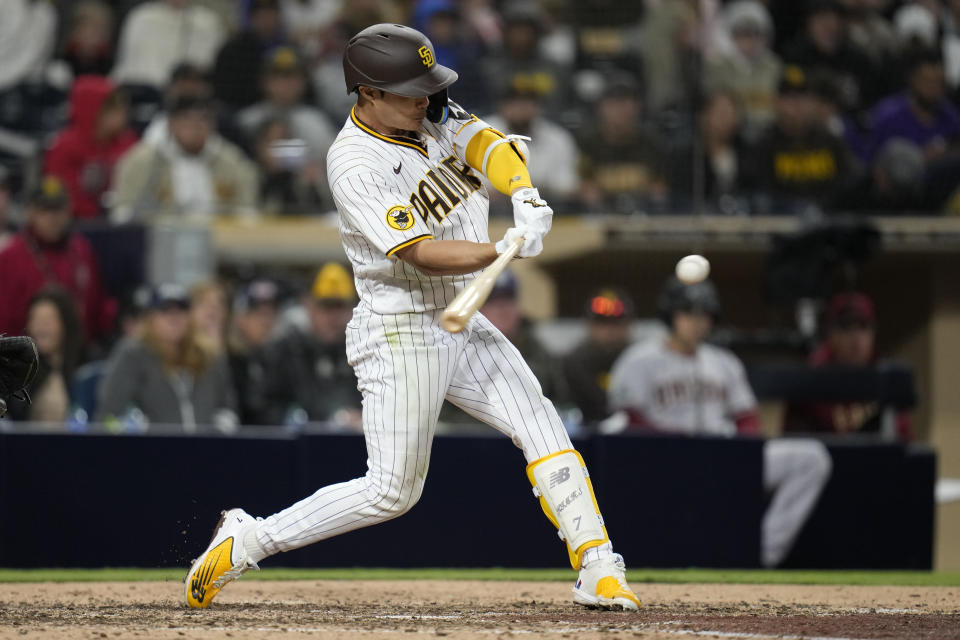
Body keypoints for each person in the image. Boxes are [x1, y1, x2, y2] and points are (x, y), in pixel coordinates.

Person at [185, 23, 641, 612]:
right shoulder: (353, 163)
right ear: (367, 91)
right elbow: (420, 252)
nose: (424, 97)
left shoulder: (427, 108)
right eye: (408, 88)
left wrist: (523, 192)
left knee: (541, 423)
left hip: (460, 319)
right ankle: (247, 539)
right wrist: (503, 248)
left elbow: (486, 144)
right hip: (401, 328)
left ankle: (598, 566)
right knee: (391, 493)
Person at [606, 277, 832, 568]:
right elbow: (628, 422)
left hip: (721, 458)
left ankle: (761, 555)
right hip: (664, 461)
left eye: (704, 315)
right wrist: (680, 444)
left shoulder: (724, 362)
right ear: (671, 315)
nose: (697, 322)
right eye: (689, 313)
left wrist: (735, 454)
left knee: (811, 459)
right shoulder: (638, 360)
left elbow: (748, 420)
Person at [95, 282, 237, 432]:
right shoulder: (132, 354)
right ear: (150, 317)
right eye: (165, 310)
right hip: (149, 451)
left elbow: (228, 409)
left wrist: (220, 435)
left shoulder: (208, 355)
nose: (174, 318)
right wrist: (135, 431)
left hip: (205, 449)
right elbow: (108, 416)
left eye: (181, 310)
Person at [0, 176, 116, 343]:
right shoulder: (10, 257)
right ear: (30, 212)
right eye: (45, 210)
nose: (52, 218)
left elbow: (98, 303)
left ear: (69, 210)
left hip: (81, 349)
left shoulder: (81, 250)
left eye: (58, 210)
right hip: (31, 358)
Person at [783, 292, 913, 440]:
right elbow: (794, 444)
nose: (856, 338)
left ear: (873, 333)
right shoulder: (810, 378)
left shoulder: (886, 378)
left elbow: (903, 441)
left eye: (863, 327)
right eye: (846, 327)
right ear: (831, 333)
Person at [110, 94, 259, 222]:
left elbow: (247, 212)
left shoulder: (233, 162)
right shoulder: (142, 161)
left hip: (221, 241)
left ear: (212, 125)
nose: (194, 128)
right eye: (186, 121)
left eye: (202, 121)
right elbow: (123, 213)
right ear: (171, 124)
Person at [744, 66, 856, 212]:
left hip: (825, 223)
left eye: (802, 98)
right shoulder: (764, 145)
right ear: (777, 102)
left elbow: (847, 185)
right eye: (790, 98)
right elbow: (760, 193)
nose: (797, 106)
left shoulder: (831, 142)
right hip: (779, 225)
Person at [262, 262, 361, 428]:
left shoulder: (360, 351)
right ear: (308, 305)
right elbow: (266, 409)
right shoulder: (286, 351)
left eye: (340, 306)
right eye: (326, 306)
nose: (333, 316)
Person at [237, 47, 336, 190]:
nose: (284, 84)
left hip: (306, 199)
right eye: (277, 77)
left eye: (291, 77)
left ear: (303, 82)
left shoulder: (318, 123)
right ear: (264, 81)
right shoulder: (246, 121)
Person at [44, 76, 138, 220]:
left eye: (122, 108)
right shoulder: (64, 147)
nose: (122, 115)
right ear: (92, 110)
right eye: (113, 109)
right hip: (76, 225)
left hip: (122, 221)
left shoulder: (128, 143)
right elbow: (62, 199)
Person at [577, 74, 670, 214]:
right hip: (598, 217)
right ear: (600, 107)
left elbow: (659, 190)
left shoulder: (651, 143)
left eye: (627, 101)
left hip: (643, 215)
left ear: (638, 107)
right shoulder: (587, 142)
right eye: (614, 102)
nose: (621, 109)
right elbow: (584, 188)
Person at [484, 86, 580, 211]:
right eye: (514, 103)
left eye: (527, 103)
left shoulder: (557, 138)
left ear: (538, 107)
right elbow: (472, 187)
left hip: (547, 210)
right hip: (493, 212)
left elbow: (567, 187)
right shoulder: (483, 133)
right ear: (502, 106)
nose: (521, 109)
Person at [704, 0, 782, 141]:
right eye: (743, 34)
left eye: (755, 34)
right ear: (731, 34)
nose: (749, 41)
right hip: (731, 136)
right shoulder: (717, 67)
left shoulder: (774, 67)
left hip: (769, 136)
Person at [4, 287, 83, 425]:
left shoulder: (82, 366)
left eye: (49, 320)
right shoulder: (18, 371)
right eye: (36, 319)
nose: (41, 327)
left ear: (65, 324)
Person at [111, 0, 225, 90]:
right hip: (144, 91)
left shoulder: (207, 22)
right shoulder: (142, 17)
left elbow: (208, 68)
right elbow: (129, 66)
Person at [563, 288, 634, 426]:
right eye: (602, 322)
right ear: (589, 325)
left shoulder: (640, 361)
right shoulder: (574, 363)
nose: (609, 330)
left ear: (628, 325)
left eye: (616, 323)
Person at [212, 0, 289, 111]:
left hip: (287, 107)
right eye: (261, 15)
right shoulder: (233, 50)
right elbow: (223, 90)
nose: (266, 20)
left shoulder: (288, 46)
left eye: (271, 14)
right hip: (243, 110)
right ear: (252, 18)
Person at [227, 278, 280, 426]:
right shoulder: (227, 360)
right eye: (258, 313)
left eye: (271, 313)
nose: (266, 321)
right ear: (240, 318)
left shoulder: (280, 357)